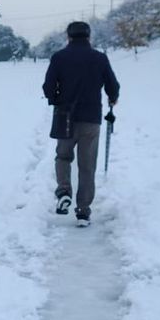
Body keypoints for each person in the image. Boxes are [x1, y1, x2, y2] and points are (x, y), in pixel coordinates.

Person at [42, 21, 120, 227]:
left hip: (64, 117)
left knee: (63, 156)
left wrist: (56, 99)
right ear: (89, 36)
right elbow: (113, 85)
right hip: (91, 118)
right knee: (87, 165)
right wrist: (113, 98)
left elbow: (48, 87)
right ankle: (83, 211)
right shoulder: (99, 58)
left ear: (68, 36)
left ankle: (64, 191)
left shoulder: (59, 57)